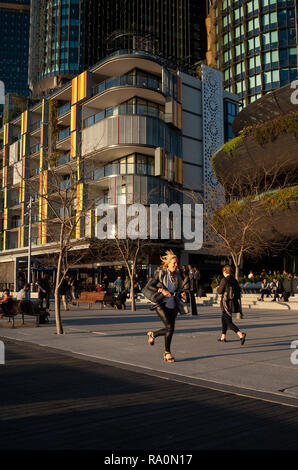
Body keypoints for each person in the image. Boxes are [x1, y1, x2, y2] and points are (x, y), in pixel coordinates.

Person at [142, 250, 187, 362]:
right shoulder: (160, 273)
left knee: (170, 329)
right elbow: (149, 286)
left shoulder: (177, 275)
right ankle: (167, 353)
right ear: (168, 264)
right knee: (170, 327)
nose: (176, 265)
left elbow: (178, 289)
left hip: (173, 304)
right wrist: (161, 290)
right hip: (161, 304)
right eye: (174, 263)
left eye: (177, 263)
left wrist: (182, 293)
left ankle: (153, 334)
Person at [217, 265, 246, 345]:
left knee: (228, 321)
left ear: (225, 271)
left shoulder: (224, 280)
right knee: (223, 318)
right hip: (233, 303)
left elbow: (219, 291)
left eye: (223, 271)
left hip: (226, 302)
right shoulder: (235, 280)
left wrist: (218, 288)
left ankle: (241, 334)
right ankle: (223, 337)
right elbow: (238, 291)